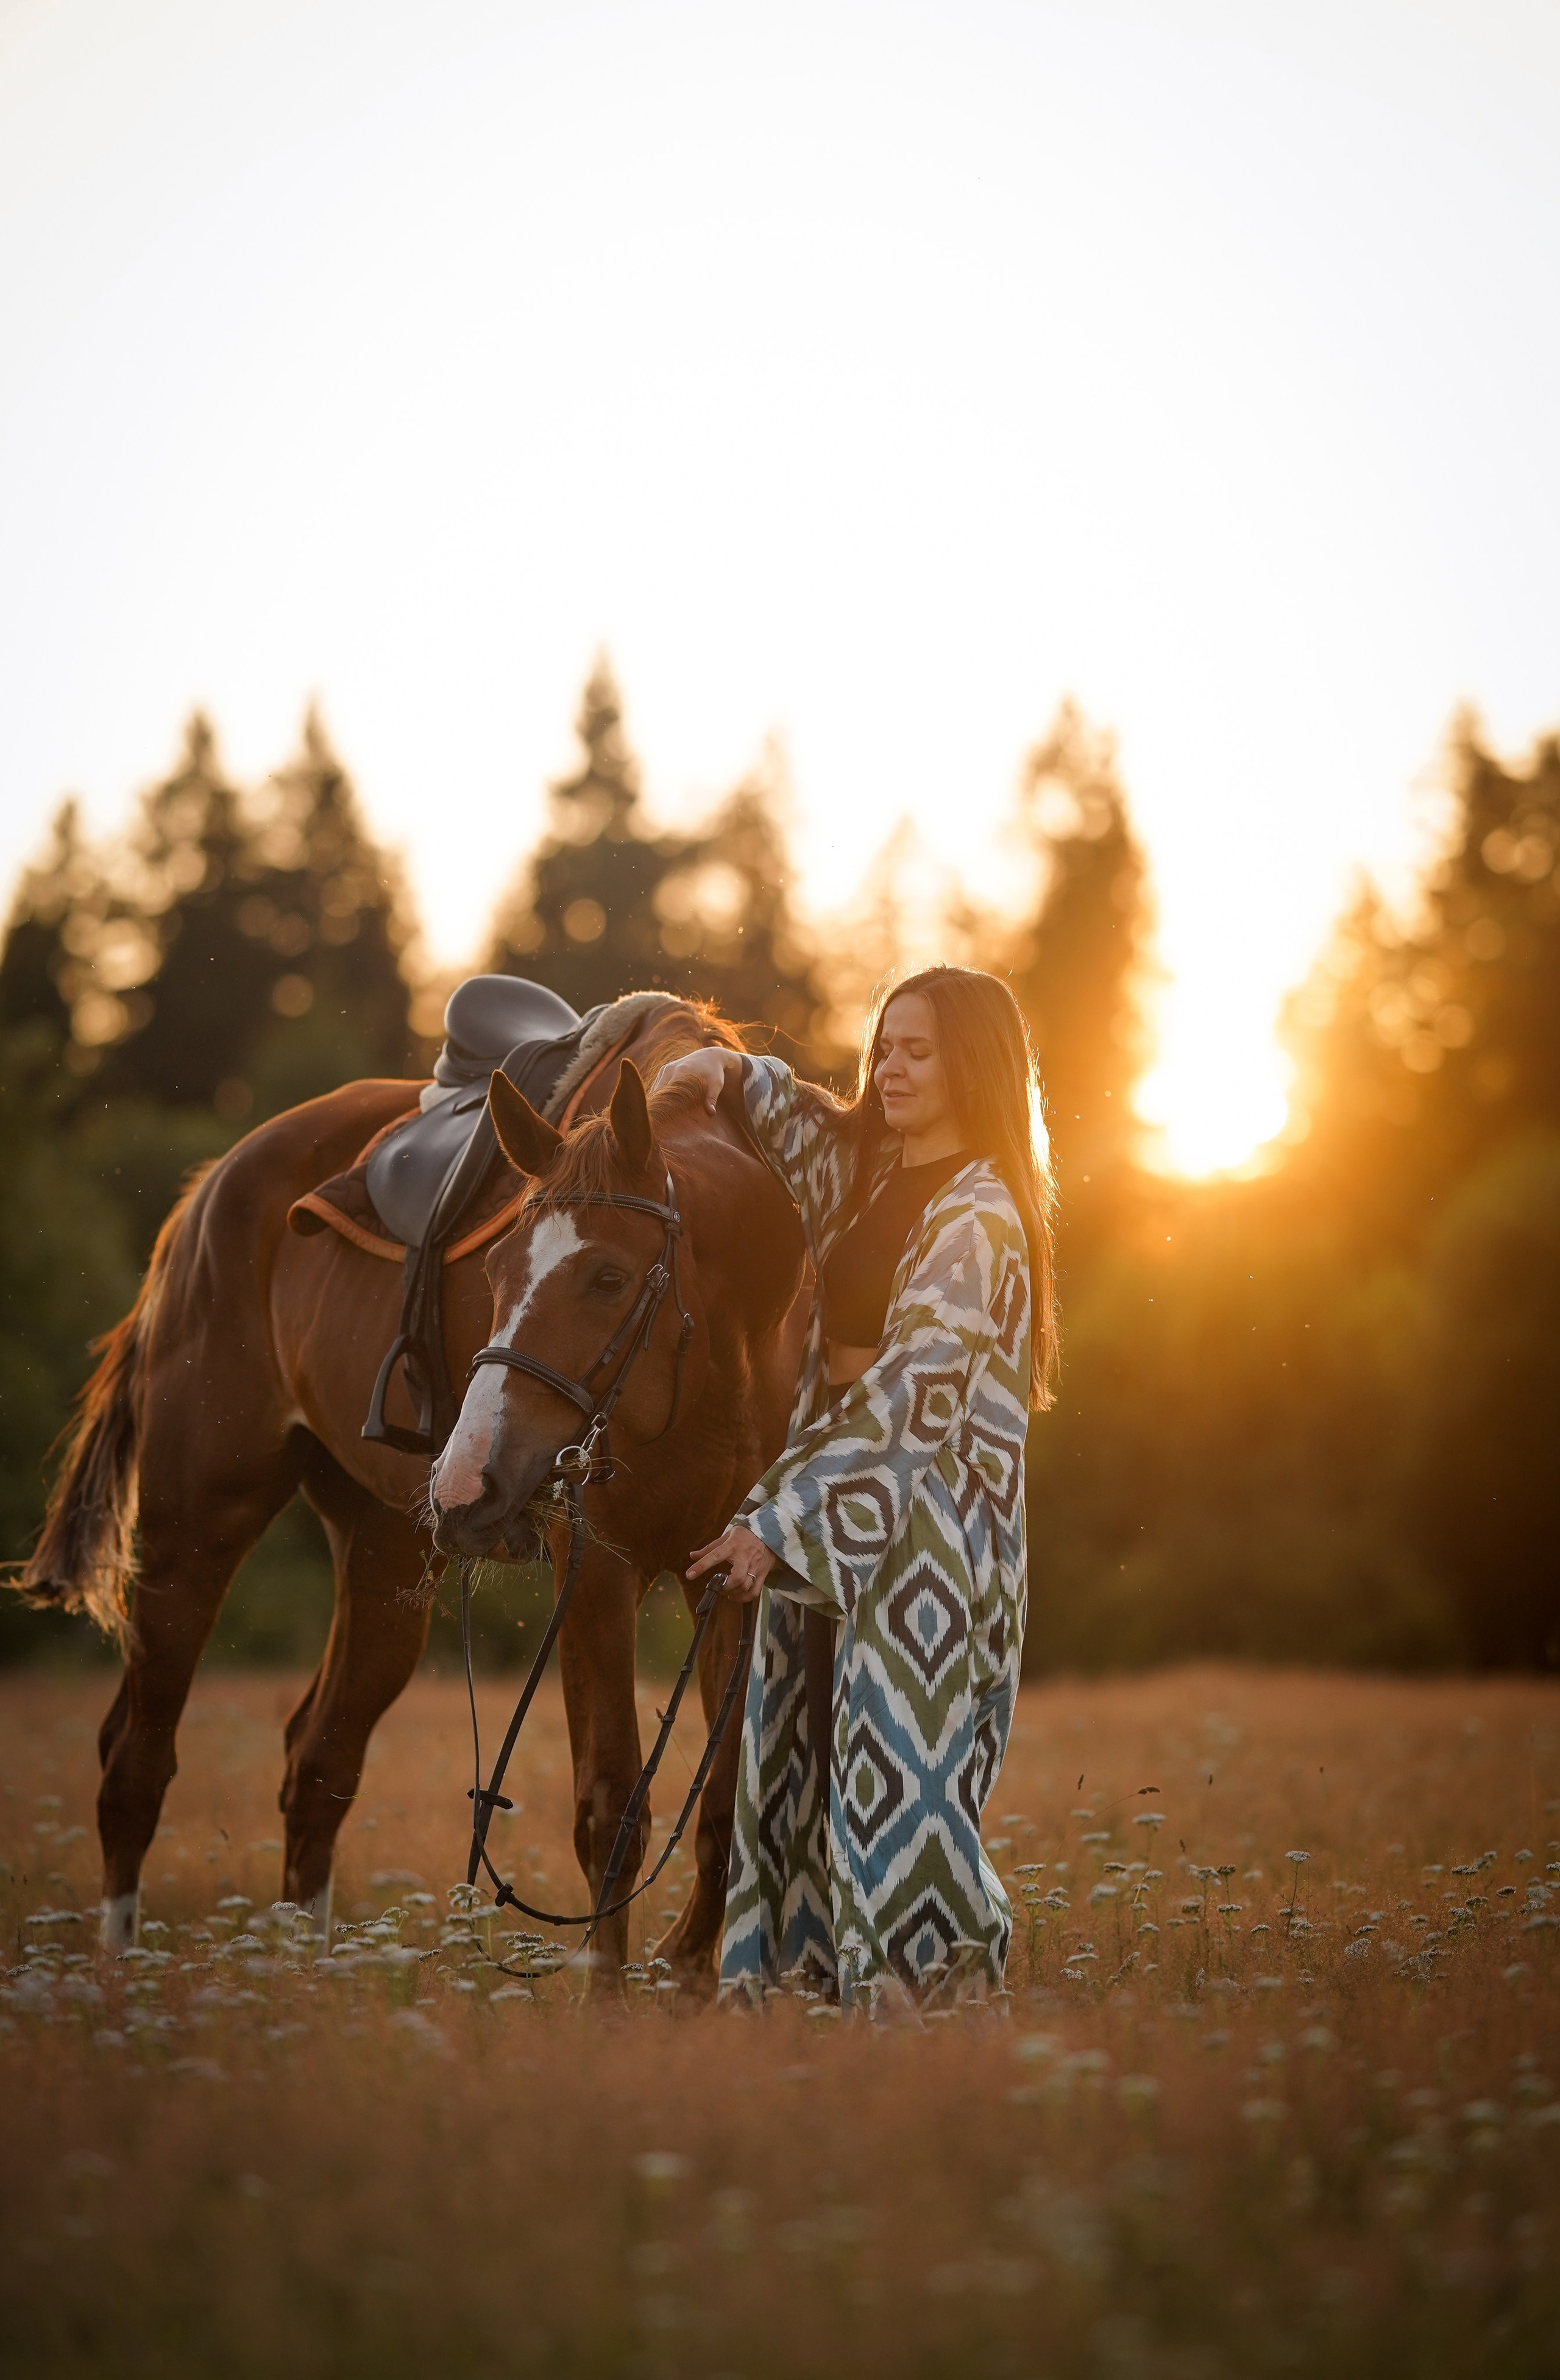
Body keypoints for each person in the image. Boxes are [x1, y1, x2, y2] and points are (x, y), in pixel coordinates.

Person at [666, 965, 1056, 2009]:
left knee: (905, 1776)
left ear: (973, 1063)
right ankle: (808, 1989)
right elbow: (806, 1124)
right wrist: (728, 1071)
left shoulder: (982, 1216)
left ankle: (932, 2000)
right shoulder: (872, 1173)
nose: (890, 1067)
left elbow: (911, 1397)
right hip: (845, 1498)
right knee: (804, 1759)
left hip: (933, 1525)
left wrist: (776, 1520)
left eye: (919, 1050)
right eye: (885, 1046)